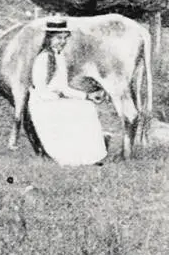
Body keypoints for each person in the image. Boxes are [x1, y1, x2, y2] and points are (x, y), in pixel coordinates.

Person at [25, 17, 108, 165]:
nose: (62, 42)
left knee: (87, 107)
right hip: (41, 104)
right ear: (49, 38)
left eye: (64, 38)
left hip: (54, 100)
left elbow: (64, 87)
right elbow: (41, 90)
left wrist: (87, 96)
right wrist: (58, 98)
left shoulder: (60, 57)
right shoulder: (43, 58)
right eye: (58, 38)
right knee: (72, 110)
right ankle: (68, 156)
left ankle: (88, 155)